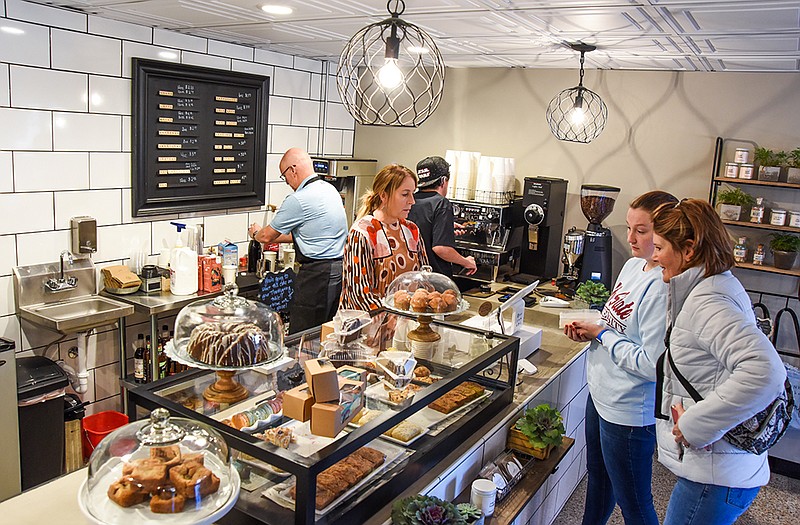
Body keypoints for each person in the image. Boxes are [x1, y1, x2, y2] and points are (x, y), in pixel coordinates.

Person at [650, 198, 786, 525]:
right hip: (719, 471)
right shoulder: (715, 285)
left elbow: (765, 371)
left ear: (689, 250)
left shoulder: (707, 301)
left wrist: (695, 424)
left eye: (659, 247)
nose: (653, 258)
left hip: (715, 477)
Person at [563, 190, 678, 525]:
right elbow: (618, 325)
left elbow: (651, 364)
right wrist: (593, 327)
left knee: (635, 504)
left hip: (627, 411)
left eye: (642, 232)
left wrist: (602, 334)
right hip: (600, 395)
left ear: (666, 231)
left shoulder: (662, 285)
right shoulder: (632, 266)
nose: (630, 238)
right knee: (598, 483)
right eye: (629, 228)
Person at [248, 148, 348, 334]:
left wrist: (255, 233)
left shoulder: (299, 199)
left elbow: (266, 236)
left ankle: (303, 364)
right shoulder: (329, 190)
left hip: (316, 276)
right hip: (339, 272)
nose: (286, 182)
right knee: (327, 332)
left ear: (293, 170)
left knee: (303, 336)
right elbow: (307, 233)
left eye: (284, 176)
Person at [339, 164, 429, 312]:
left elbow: (424, 279)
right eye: (405, 194)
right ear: (383, 196)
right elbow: (359, 295)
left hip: (405, 322)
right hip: (369, 326)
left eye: (413, 193)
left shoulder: (411, 230)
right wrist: (393, 316)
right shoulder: (363, 233)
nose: (412, 201)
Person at [407, 156, 476, 277]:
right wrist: (466, 262)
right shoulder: (441, 203)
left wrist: (445, 228)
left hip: (411, 275)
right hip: (434, 278)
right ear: (444, 180)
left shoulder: (410, 201)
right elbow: (441, 249)